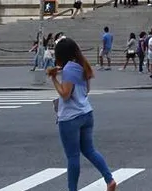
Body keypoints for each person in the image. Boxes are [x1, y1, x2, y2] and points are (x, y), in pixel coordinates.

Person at [48, 38, 117, 191]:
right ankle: (109, 179)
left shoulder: (68, 70)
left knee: (72, 157)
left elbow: (65, 94)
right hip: (86, 112)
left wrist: (54, 79)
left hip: (70, 117)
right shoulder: (81, 66)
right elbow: (86, 90)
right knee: (89, 150)